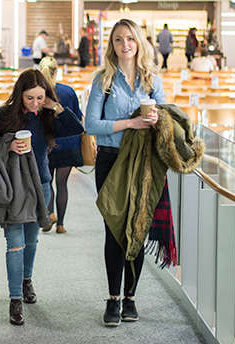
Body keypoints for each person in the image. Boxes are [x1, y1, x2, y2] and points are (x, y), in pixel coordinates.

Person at [85, 18, 166, 327]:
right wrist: (129, 123)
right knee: (114, 230)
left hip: (143, 161)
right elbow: (90, 125)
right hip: (110, 160)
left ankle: (130, 296)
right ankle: (113, 299)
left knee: (138, 228)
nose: (125, 45)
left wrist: (157, 118)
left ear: (139, 42)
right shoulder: (102, 80)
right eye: (118, 40)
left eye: (130, 39)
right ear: (112, 45)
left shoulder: (152, 80)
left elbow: (165, 122)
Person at [0, 69, 83, 326]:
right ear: (19, 95)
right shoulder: (3, 116)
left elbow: (77, 128)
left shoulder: (47, 115)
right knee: (14, 242)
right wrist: (7, 146)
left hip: (41, 183)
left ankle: (27, 280)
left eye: (39, 98)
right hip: (12, 187)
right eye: (29, 98)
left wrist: (54, 106)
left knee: (32, 239)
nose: (34, 104)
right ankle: (15, 299)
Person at [38, 56, 83, 234]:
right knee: (62, 184)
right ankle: (61, 224)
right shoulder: (68, 91)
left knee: (47, 182)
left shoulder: (39, 94)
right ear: (57, 71)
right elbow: (77, 118)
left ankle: (50, 213)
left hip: (48, 145)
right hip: (69, 145)